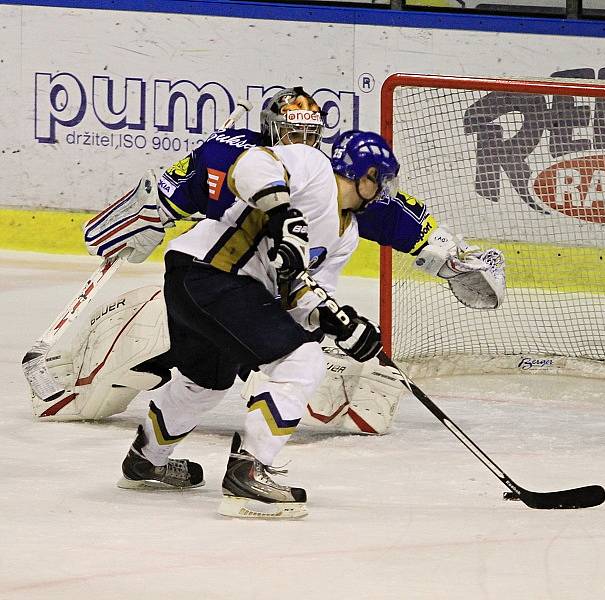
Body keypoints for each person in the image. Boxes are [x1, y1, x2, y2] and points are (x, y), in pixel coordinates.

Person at [75, 86, 506, 435]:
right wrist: (139, 215)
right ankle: (105, 385)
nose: (302, 142)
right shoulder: (234, 153)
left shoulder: (329, 178)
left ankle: (160, 448)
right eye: (291, 132)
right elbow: (169, 194)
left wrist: (452, 258)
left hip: (257, 302)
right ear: (270, 128)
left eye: (310, 134)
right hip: (208, 280)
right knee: (132, 359)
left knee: (327, 389)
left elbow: (396, 213)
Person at [114, 129, 403, 520]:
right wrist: (283, 214)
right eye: (382, 181)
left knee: (205, 380)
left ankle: (145, 460)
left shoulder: (346, 234)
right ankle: (248, 473)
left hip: (199, 280)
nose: (385, 192)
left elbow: (298, 293)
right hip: (212, 273)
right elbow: (249, 163)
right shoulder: (313, 167)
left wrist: (341, 323)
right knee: (302, 362)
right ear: (364, 176)